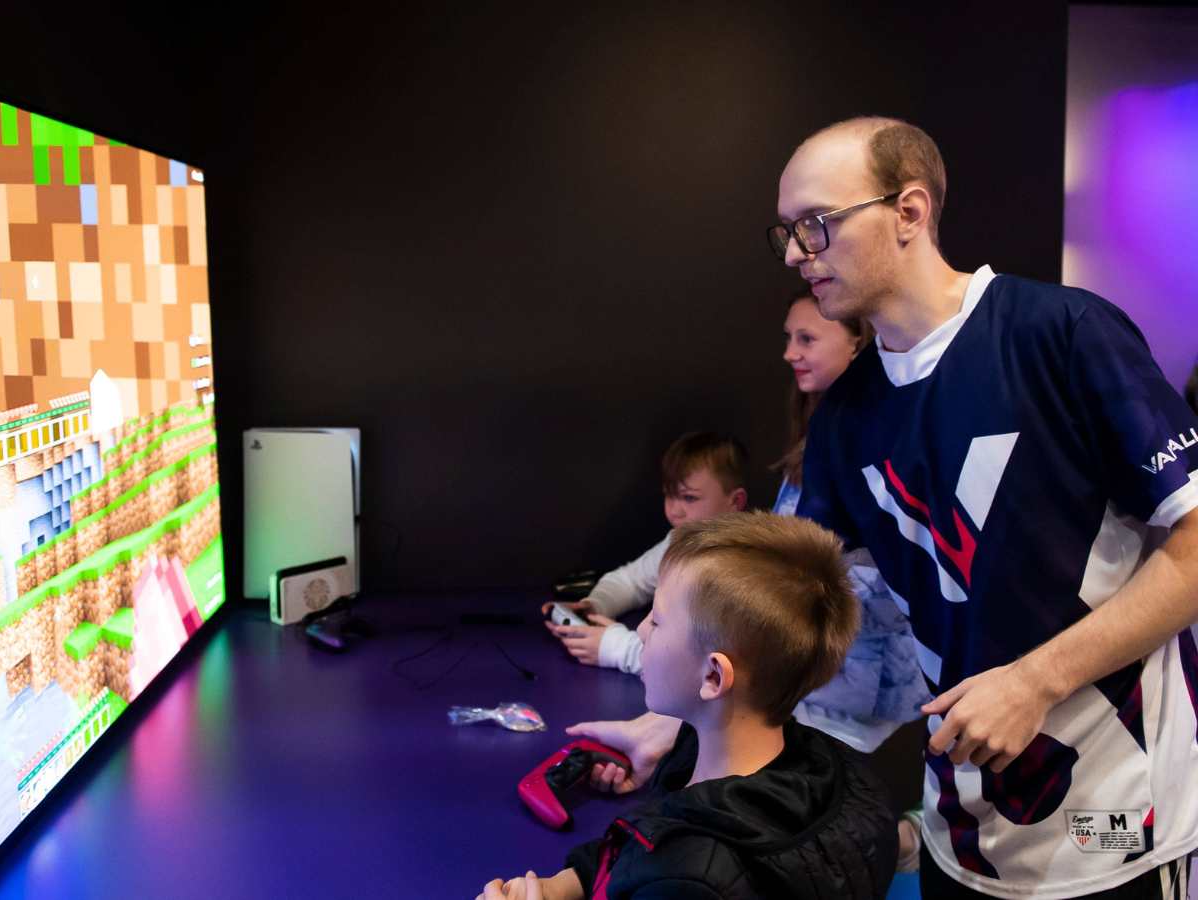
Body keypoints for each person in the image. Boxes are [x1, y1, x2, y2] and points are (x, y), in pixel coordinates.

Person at [573, 117, 1198, 899]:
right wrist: (670, 726)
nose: (798, 254)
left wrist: (1037, 680)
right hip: (959, 833)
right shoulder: (848, 416)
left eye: (817, 225)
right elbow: (773, 612)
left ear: (909, 211)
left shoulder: (1062, 334)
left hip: (1115, 830)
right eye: (788, 233)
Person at [480, 512, 898, 899]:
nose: (640, 630)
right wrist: (559, 888)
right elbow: (640, 850)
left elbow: (666, 866)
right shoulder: (824, 769)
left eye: (657, 620)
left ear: (714, 677)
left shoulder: (692, 878)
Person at [776, 291, 929, 873]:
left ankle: (911, 843)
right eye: (788, 339)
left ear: (858, 341)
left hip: (867, 711)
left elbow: (863, 594)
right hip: (816, 693)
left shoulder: (884, 444)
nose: (790, 353)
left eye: (807, 338)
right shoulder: (814, 444)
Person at [542, 431, 747, 674]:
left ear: (735, 502)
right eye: (669, 495)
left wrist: (615, 648)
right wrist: (595, 606)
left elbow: (704, 668)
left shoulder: (740, 569)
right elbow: (630, 581)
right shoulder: (677, 542)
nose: (674, 510)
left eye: (689, 498)